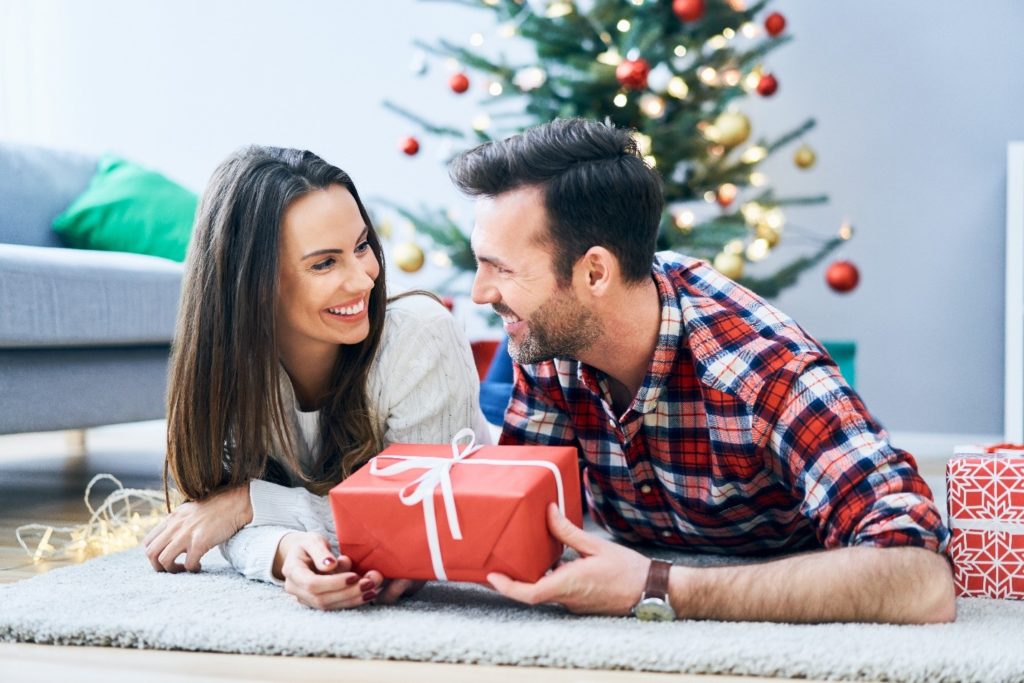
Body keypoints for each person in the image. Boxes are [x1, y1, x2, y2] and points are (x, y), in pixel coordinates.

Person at [450, 118, 956, 624]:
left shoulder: (762, 371)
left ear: (595, 273)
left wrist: (659, 586)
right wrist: (400, 555)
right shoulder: (554, 334)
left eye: (503, 269)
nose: (480, 293)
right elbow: (513, 513)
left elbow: (920, 577)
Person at [143, 145, 490, 610]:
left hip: (486, 472)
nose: (365, 280)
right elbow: (213, 517)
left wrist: (251, 503)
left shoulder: (420, 336)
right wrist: (283, 553)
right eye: (324, 263)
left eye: (362, 246)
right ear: (252, 284)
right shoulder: (226, 367)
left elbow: (420, 514)